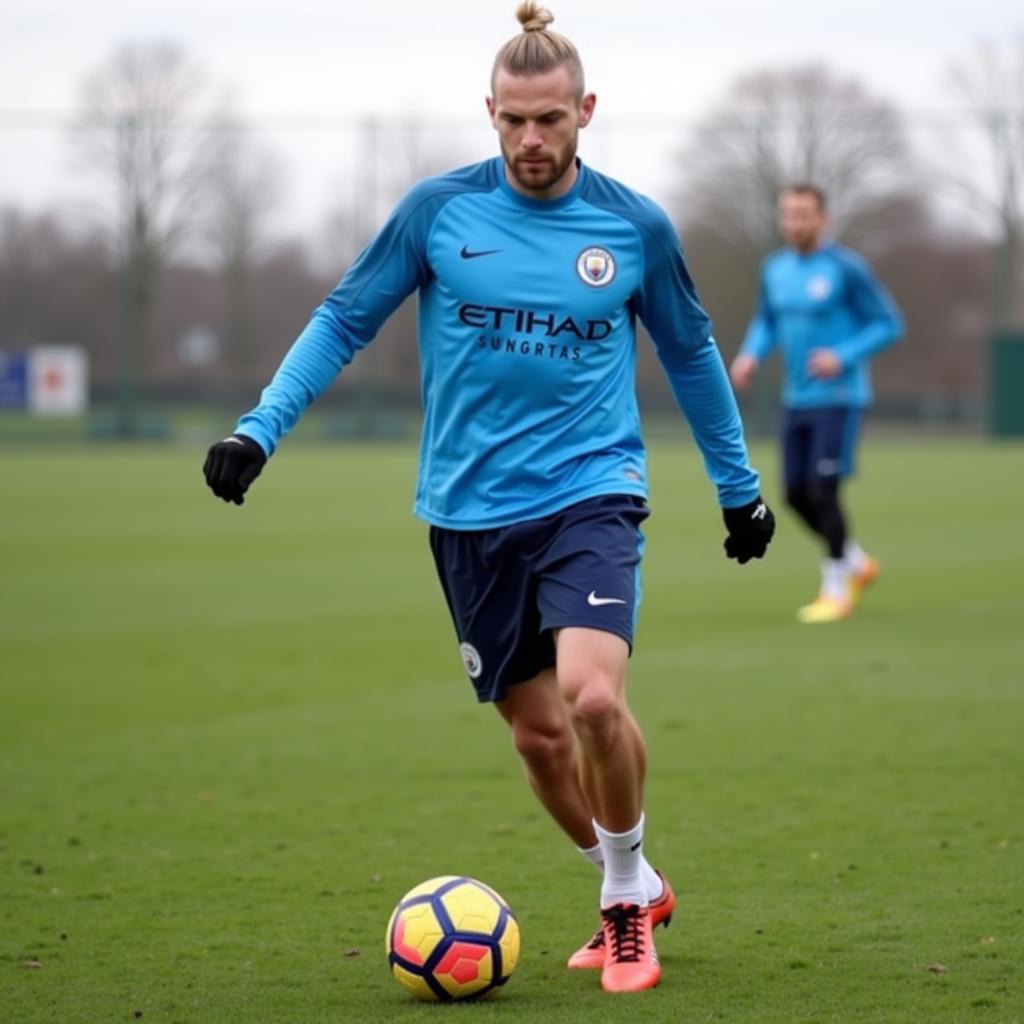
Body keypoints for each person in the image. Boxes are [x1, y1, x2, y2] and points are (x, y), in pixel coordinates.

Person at [203, 1, 774, 994]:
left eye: (549, 119)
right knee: (540, 735)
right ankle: (632, 873)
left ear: (586, 110)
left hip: (592, 491)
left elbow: (689, 355)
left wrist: (739, 491)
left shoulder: (633, 226)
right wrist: (259, 427)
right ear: (490, 111)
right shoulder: (437, 212)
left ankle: (623, 904)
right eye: (512, 120)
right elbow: (344, 319)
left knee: (595, 695)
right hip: (467, 513)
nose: (529, 139)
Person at [730, 185, 903, 624]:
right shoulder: (775, 269)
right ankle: (856, 562)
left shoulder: (846, 268)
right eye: (789, 214)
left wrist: (841, 356)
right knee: (793, 495)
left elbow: (888, 323)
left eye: (804, 215)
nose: (795, 223)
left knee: (823, 491)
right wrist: (751, 353)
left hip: (840, 398)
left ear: (823, 218)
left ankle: (835, 589)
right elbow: (766, 320)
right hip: (797, 397)